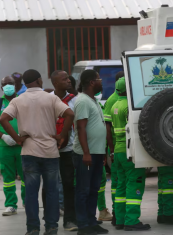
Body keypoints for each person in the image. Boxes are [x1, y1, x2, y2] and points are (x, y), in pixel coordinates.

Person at [0, 69, 74, 235]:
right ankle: (51, 227)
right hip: (50, 152)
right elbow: (69, 114)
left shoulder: (18, 100)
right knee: (52, 192)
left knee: (31, 194)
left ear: (25, 83)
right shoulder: (51, 98)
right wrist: (62, 135)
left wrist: (17, 139)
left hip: (29, 152)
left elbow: (3, 119)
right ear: (40, 81)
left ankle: (32, 228)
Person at [111, 77, 150, 231]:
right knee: (135, 184)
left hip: (118, 150)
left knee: (121, 186)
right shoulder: (129, 106)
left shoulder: (115, 104)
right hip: (130, 151)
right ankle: (132, 220)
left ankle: (120, 220)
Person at [73, 70, 108, 235]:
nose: (102, 82)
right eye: (99, 79)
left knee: (94, 189)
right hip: (86, 155)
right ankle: (83, 225)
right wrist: (86, 153)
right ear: (92, 82)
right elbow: (81, 128)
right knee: (83, 190)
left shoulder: (93, 100)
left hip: (97, 152)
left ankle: (91, 221)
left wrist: (103, 153)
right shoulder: (82, 101)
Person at [0, 76, 25, 216]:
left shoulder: (23, 101)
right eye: (5, 84)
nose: (8, 86)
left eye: (10, 83)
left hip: (22, 145)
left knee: (26, 175)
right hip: (5, 146)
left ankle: (27, 202)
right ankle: (10, 205)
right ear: (1, 87)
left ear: (16, 85)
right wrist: (3, 136)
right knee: (8, 177)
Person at [50, 70, 77, 231]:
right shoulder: (47, 100)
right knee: (50, 185)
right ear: (55, 83)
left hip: (68, 149)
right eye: (64, 79)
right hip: (49, 149)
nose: (69, 81)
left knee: (68, 185)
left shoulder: (74, 100)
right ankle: (50, 220)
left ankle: (70, 220)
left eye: (68, 78)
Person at [101, 71, 124, 225]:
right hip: (117, 147)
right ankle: (118, 212)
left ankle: (118, 213)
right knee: (118, 182)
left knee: (118, 183)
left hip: (117, 148)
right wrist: (111, 150)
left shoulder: (114, 99)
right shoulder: (113, 100)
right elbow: (107, 128)